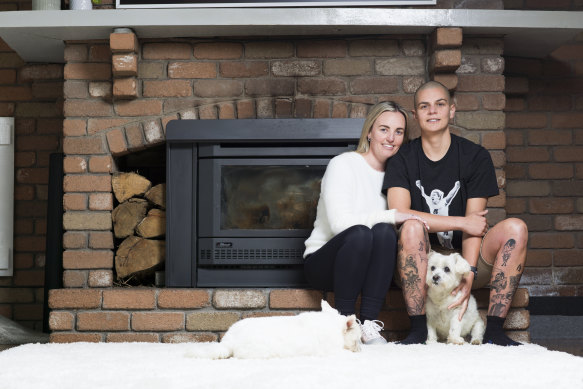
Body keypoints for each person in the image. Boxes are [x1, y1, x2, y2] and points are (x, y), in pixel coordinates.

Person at [383, 81, 528, 346]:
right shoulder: (402, 158)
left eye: (440, 104)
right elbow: (400, 212)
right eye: (424, 106)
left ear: (452, 110)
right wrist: (460, 221)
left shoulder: (475, 156)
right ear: (415, 116)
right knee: (412, 226)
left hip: (465, 261)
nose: (433, 111)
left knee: (516, 228)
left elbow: (475, 227)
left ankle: (495, 330)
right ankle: (417, 330)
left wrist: (468, 274)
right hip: (418, 264)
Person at [304, 101, 427, 345]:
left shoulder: (399, 177)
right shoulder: (344, 164)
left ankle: (369, 324)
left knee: (383, 232)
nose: (391, 138)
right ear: (369, 132)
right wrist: (393, 215)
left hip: (370, 269)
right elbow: (341, 224)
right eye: (383, 129)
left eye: (399, 132)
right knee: (360, 233)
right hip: (325, 264)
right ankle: (343, 322)